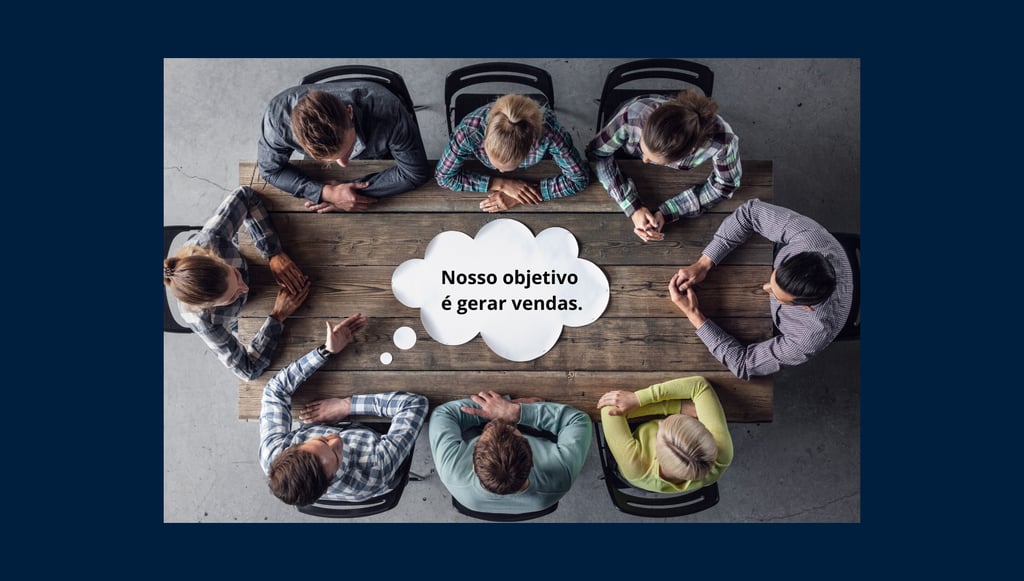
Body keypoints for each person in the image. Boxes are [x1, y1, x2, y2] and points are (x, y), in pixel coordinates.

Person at [669, 199, 854, 379]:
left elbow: (743, 364)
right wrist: (703, 263)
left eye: (776, 294)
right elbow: (750, 212)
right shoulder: (810, 239)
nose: (765, 287)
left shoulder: (809, 337)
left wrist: (693, 313)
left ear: (806, 307)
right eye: (774, 279)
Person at [259, 313, 429, 506]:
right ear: (327, 485)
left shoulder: (274, 457)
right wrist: (347, 405)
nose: (335, 438)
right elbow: (415, 404)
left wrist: (325, 351)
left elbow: (274, 390)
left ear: (290, 449)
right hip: (375, 439)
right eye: (337, 455)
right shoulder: (376, 468)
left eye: (322, 439)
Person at [163, 186, 310, 381]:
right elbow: (248, 371)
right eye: (232, 296)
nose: (245, 288)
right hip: (238, 318)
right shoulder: (204, 321)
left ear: (216, 258)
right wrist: (277, 317)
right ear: (208, 306)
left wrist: (272, 252)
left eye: (235, 275)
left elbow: (245, 195)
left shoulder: (210, 240)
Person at [586, 89, 741, 242]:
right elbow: (597, 155)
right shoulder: (631, 116)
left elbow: (725, 185)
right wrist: (633, 207)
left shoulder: (724, 142)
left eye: (654, 159)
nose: (644, 160)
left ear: (689, 152)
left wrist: (669, 211)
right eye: (642, 149)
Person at [257, 81, 431, 213]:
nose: (343, 164)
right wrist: (326, 193)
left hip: (382, 150)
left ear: (350, 113)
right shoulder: (276, 120)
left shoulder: (389, 112)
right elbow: (270, 170)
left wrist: (346, 193)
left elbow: (415, 172)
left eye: (348, 149)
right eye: (331, 159)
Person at [429, 390, 591, 514]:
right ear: (532, 460)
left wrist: (501, 408)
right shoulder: (561, 475)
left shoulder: (451, 471)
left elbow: (442, 414)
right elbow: (578, 420)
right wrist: (515, 411)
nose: (499, 421)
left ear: (473, 466)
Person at [435, 93, 590, 213]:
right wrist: (502, 184)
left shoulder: (549, 132)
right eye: (496, 165)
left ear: (530, 148)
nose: (500, 171)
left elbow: (579, 179)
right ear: (485, 135)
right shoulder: (469, 131)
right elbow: (443, 177)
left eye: (506, 168)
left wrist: (521, 196)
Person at [597, 376, 733, 493]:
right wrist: (679, 407)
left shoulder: (636, 466)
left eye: (659, 432)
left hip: (630, 472)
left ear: (656, 456)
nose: (661, 423)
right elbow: (700, 385)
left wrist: (671, 407)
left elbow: (610, 407)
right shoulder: (723, 454)